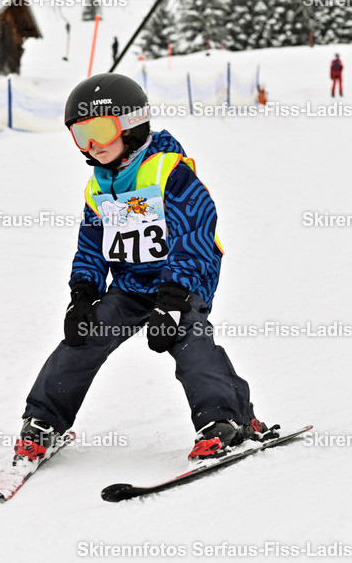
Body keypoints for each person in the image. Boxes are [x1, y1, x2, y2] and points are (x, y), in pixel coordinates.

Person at [14, 73, 270, 467]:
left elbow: (197, 232)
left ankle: (225, 421)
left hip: (182, 283)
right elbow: (92, 245)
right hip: (132, 285)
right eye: (81, 136)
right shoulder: (98, 187)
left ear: (132, 125)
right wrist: (82, 293)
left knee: (190, 342)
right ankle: (44, 421)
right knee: (84, 337)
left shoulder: (169, 172)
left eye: (100, 131)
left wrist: (173, 297)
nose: (93, 146)